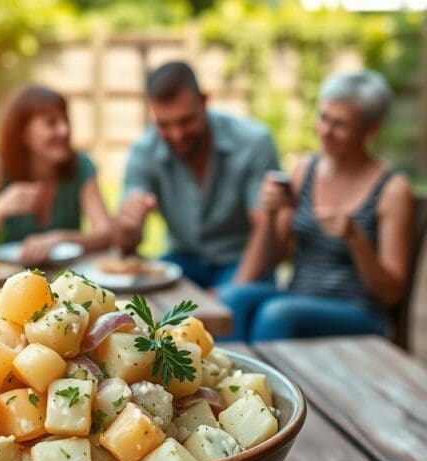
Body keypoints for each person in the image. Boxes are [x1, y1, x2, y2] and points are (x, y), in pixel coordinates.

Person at [218, 70, 413, 341]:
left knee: (278, 314)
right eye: (323, 118)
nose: (326, 132)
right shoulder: (303, 171)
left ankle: (259, 383)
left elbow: (391, 293)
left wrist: (355, 238)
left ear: (371, 129)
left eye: (341, 125)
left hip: (359, 313)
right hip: (297, 297)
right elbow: (274, 258)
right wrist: (271, 215)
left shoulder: (392, 189)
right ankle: (227, 380)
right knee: (231, 298)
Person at [115, 61, 281, 288]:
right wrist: (128, 226)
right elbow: (125, 248)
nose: (177, 134)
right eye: (164, 125)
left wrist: (228, 295)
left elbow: (265, 228)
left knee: (237, 302)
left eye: (186, 121)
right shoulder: (144, 152)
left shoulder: (254, 142)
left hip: (241, 260)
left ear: (204, 101)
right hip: (183, 260)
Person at [0, 85, 112, 264]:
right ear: (23, 133)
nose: (64, 131)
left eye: (66, 121)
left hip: (64, 281)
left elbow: (106, 234)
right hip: (7, 283)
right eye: (51, 123)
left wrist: (60, 238)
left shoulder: (81, 166)